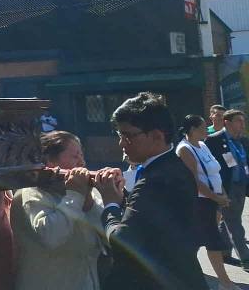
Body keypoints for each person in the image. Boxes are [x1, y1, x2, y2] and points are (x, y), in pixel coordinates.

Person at [94, 92, 206, 289]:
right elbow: (150, 217)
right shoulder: (172, 167)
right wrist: (123, 198)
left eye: (127, 135)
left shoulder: (157, 179)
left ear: (157, 135)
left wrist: (110, 202)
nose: (121, 143)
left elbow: (122, 241)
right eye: (119, 135)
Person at [13, 131, 104, 290]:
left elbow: (107, 239)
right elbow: (51, 236)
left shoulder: (88, 193)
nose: (82, 163)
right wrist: (74, 196)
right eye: (75, 156)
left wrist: (90, 204)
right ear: (50, 161)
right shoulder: (31, 194)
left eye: (82, 155)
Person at [177, 115, 236, 289]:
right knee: (213, 240)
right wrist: (215, 197)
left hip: (214, 200)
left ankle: (180, 267)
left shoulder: (202, 145)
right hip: (201, 202)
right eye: (203, 127)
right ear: (193, 129)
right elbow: (194, 181)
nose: (207, 129)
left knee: (195, 238)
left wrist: (222, 195)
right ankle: (225, 282)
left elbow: (214, 172)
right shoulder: (185, 149)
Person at [206, 109, 249, 269]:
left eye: (243, 121)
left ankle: (224, 252)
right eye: (239, 121)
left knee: (229, 220)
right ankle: (246, 258)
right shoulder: (214, 140)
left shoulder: (243, 141)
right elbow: (209, 168)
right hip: (225, 188)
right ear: (227, 122)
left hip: (241, 187)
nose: (242, 125)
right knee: (234, 223)